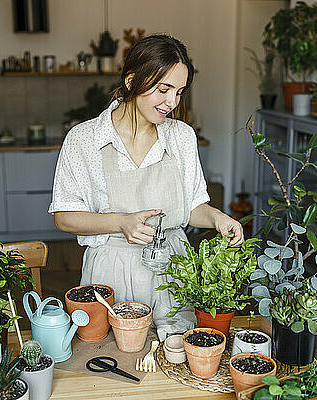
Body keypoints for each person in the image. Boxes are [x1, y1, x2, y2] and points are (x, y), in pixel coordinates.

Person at [49, 34, 243, 340]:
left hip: (173, 269)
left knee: (174, 360)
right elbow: (64, 216)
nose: (172, 102)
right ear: (131, 81)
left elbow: (193, 208)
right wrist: (120, 222)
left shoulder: (181, 137)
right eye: (163, 89)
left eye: (179, 92)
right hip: (108, 274)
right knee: (109, 359)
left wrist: (219, 218)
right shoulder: (84, 139)